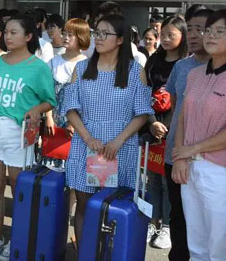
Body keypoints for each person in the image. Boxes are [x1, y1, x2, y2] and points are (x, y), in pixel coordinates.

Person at [61, 13, 153, 248]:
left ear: (120, 39)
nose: (98, 38)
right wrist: (87, 137)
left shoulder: (135, 71)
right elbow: (70, 108)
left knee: (115, 207)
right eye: (96, 33)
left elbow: (142, 113)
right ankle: (85, 253)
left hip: (120, 148)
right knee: (84, 205)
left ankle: (109, 253)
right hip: (86, 145)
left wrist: (119, 140)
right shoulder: (82, 68)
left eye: (105, 33)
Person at [0, 14, 56, 261]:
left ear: (28, 36)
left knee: (19, 188)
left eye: (14, 33)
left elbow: (50, 100)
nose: (8, 37)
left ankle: (17, 239)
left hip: (19, 133)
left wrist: (37, 110)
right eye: (7, 32)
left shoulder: (39, 67)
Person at [172, 9, 226, 261]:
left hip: (223, 171)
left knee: (220, 247)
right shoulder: (194, 74)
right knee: (196, 246)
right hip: (189, 167)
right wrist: (180, 156)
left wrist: (191, 150)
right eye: (209, 31)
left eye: (219, 31)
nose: (210, 36)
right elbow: (183, 117)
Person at [161, 8, 213, 261]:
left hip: (210, 160)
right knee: (178, 217)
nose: (192, 34)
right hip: (175, 154)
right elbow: (174, 104)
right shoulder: (182, 66)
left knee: (208, 223)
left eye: (199, 29)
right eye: (189, 28)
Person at [144, 16, 188, 249]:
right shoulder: (153, 60)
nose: (166, 39)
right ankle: (153, 221)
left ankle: (167, 227)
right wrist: (152, 122)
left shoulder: (187, 64)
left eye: (172, 35)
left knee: (167, 181)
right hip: (151, 126)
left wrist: (167, 127)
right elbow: (143, 91)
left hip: (173, 129)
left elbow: (182, 101)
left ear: (183, 36)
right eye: (163, 35)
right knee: (152, 178)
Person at [46, 18, 90, 168]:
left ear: (81, 38)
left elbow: (86, 99)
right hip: (53, 123)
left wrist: (73, 123)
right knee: (51, 165)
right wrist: (48, 117)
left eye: (71, 35)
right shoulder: (53, 62)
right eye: (65, 33)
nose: (66, 37)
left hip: (79, 126)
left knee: (74, 165)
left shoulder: (88, 65)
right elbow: (47, 93)